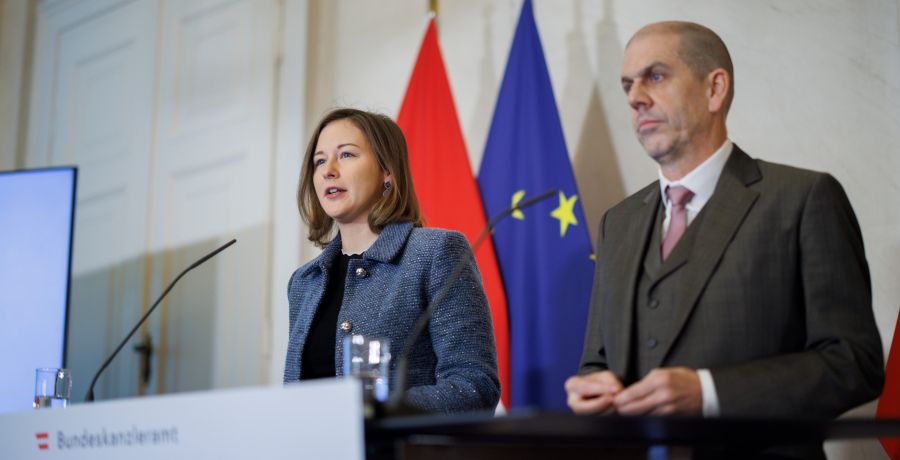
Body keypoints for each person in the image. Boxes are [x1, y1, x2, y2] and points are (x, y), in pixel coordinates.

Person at [565, 21, 883, 457]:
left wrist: (708, 393)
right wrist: (593, 391)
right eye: (627, 85)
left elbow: (855, 364)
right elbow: (596, 362)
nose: (635, 97)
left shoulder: (803, 199)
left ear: (715, 89)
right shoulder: (617, 223)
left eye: (655, 76)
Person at [283, 108, 500, 413]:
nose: (328, 170)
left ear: (387, 171)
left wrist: (379, 408)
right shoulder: (305, 282)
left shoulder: (436, 252)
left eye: (346, 155)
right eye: (319, 161)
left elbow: (475, 386)